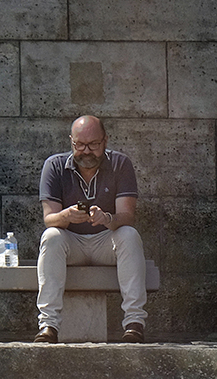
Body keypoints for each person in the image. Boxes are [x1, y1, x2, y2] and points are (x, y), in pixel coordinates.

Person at [34, 115, 147, 343]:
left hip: (106, 240)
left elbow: (127, 217)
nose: (86, 151)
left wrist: (107, 219)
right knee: (51, 236)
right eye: (80, 145)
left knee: (129, 235)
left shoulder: (120, 163)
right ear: (71, 142)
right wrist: (67, 215)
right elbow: (50, 219)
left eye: (93, 145)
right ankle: (48, 325)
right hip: (71, 241)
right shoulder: (55, 165)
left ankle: (134, 323)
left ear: (105, 141)